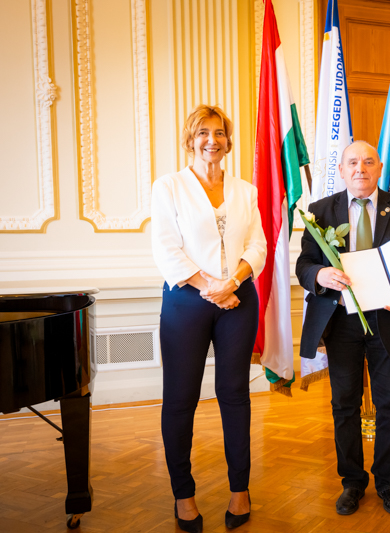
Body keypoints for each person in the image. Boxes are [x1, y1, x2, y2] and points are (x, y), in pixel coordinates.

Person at [151, 104, 267, 532]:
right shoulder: (169, 187)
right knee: (180, 399)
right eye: (203, 132)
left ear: (228, 141)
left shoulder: (245, 191)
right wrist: (211, 287)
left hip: (238, 299)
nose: (211, 140)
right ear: (190, 139)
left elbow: (258, 246)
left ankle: (240, 490)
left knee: (234, 394)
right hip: (186, 300)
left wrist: (231, 283)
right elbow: (166, 249)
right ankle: (183, 495)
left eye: (218, 133)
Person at [296, 141, 390, 516]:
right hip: (341, 323)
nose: (360, 168)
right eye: (352, 162)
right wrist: (320, 274)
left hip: (388, 320)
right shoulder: (320, 212)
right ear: (341, 169)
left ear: (379, 167)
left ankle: (388, 482)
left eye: (368, 161)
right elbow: (304, 264)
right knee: (344, 405)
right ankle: (352, 482)